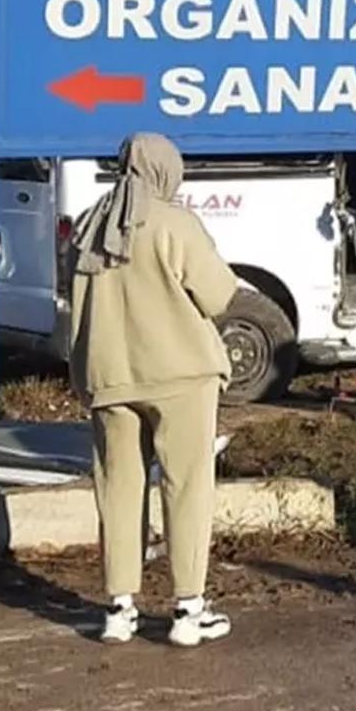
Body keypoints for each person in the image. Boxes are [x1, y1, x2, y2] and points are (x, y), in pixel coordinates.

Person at [68, 132, 238, 647]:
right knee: (187, 487)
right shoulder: (174, 222)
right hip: (181, 375)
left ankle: (119, 609)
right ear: (166, 170)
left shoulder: (89, 225)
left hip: (108, 377)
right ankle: (189, 610)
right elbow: (219, 293)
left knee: (117, 490)